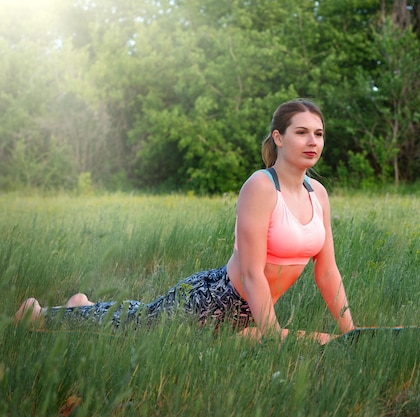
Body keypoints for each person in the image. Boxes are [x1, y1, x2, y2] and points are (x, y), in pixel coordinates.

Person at [15, 98, 356, 345]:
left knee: (138, 318)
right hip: (211, 301)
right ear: (279, 138)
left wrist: (349, 331)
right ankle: (42, 315)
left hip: (251, 312)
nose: (313, 142)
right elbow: (252, 273)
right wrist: (272, 338)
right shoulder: (261, 186)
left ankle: (84, 305)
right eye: (302, 132)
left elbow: (326, 272)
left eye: (319, 133)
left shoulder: (318, 194)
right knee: (133, 327)